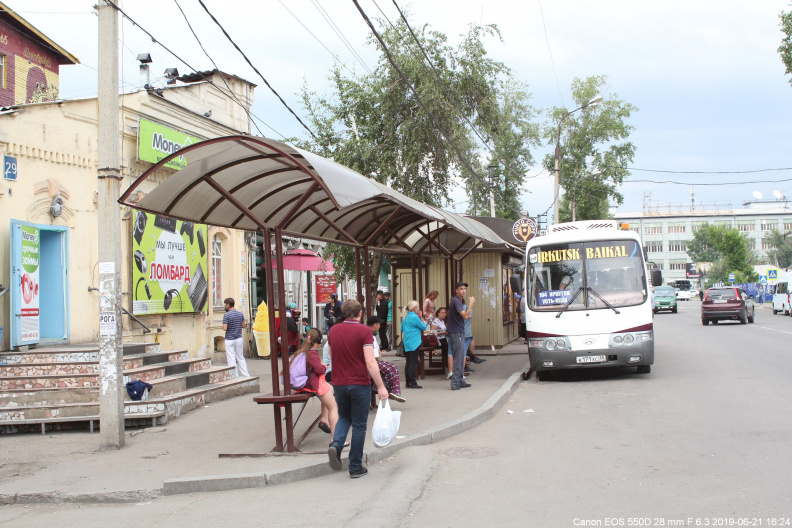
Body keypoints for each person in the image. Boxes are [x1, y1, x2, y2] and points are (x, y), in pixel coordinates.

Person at [327, 300, 388, 479]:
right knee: (360, 424)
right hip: (359, 383)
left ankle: (336, 444)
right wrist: (381, 385)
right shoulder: (364, 331)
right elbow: (370, 361)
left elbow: (332, 355)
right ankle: (355, 466)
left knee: (344, 416)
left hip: (339, 382)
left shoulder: (334, 330)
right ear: (360, 313)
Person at [291, 328, 337, 436]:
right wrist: (324, 367)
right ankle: (336, 439)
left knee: (330, 390)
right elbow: (319, 370)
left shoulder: (303, 351)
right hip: (313, 384)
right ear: (319, 341)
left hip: (307, 382)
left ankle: (324, 419)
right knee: (334, 407)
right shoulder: (313, 353)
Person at [367, 316, 405, 402]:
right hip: (372, 361)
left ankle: (393, 391)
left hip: (377, 360)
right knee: (391, 368)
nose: (380, 326)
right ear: (374, 325)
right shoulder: (367, 334)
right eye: (379, 324)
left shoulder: (372, 335)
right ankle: (391, 391)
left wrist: (381, 358)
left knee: (392, 367)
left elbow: (377, 349)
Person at [448, 282, 474, 391]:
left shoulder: (457, 301)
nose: (463, 291)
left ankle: (459, 380)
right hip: (457, 332)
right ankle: (455, 383)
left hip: (457, 331)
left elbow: (463, 316)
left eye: (464, 289)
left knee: (459, 356)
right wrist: (471, 303)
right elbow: (465, 314)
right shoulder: (456, 301)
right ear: (456, 290)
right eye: (461, 289)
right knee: (459, 357)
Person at [401, 300, 427, 389]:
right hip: (414, 341)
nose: (419, 308)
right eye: (418, 307)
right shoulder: (414, 316)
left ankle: (408, 382)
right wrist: (422, 319)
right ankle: (412, 382)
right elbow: (423, 327)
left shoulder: (405, 316)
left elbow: (401, 328)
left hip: (407, 341)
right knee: (413, 362)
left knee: (408, 362)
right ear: (414, 308)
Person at [222, 297, 250, 377]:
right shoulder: (240, 313)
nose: (225, 306)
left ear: (228, 305)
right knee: (240, 357)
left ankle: (234, 375)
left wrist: (222, 326)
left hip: (229, 339)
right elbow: (243, 325)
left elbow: (225, 328)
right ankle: (245, 374)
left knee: (231, 358)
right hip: (238, 338)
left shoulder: (226, 315)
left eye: (225, 304)